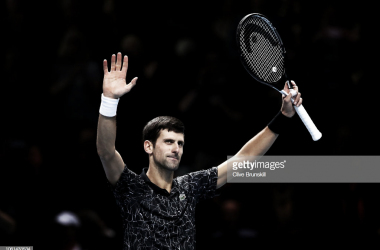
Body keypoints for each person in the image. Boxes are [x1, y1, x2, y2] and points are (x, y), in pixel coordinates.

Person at [96, 52, 302, 249]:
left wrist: (283, 116)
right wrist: (109, 100)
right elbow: (106, 151)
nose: (176, 148)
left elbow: (244, 158)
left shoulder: (190, 187)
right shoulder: (131, 187)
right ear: (148, 146)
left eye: (180, 143)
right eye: (168, 142)